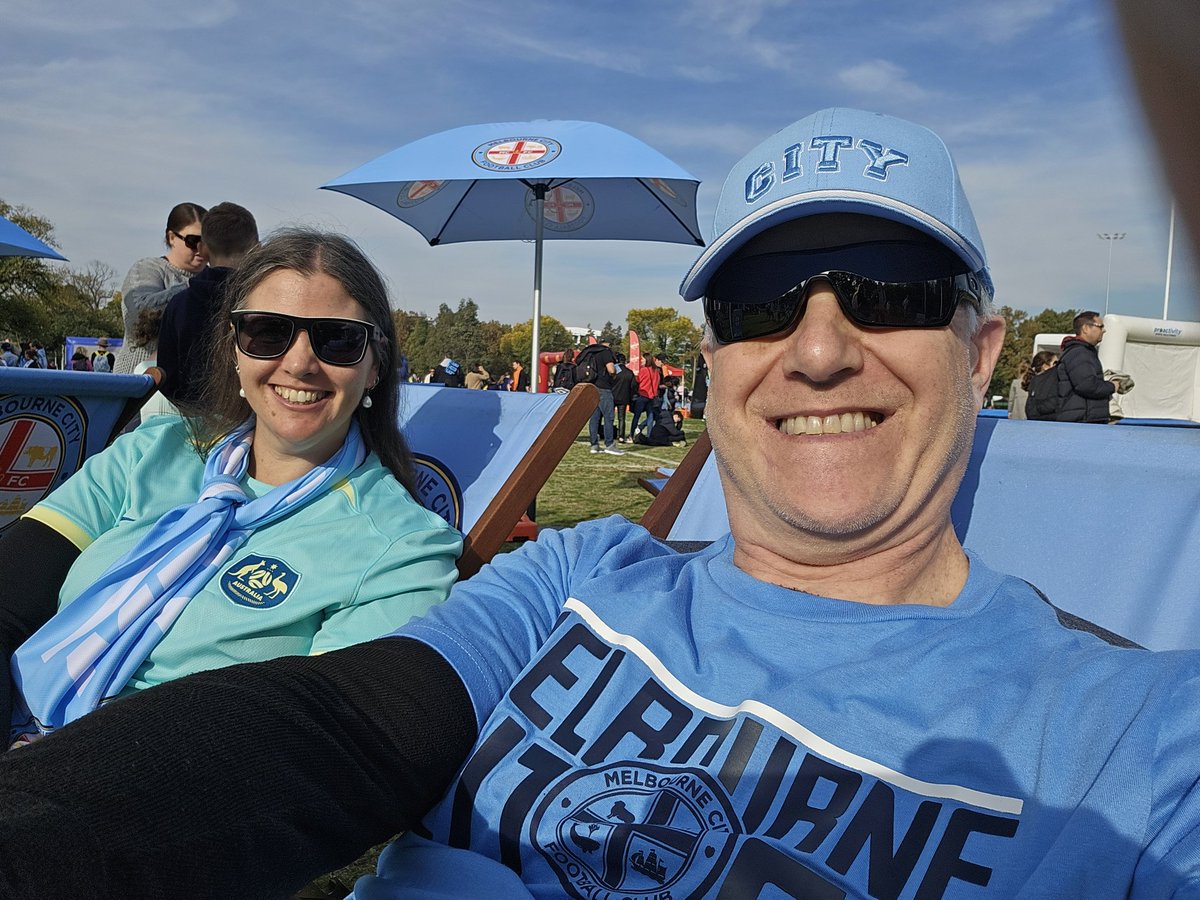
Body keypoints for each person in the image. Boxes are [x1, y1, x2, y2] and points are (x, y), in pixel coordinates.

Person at [3, 109, 1200, 898]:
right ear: (715, 358)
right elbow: (338, 732)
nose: (820, 350)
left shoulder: (1139, 739)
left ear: (983, 350)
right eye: (762, 305)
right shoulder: (585, 573)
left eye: (891, 291)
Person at [0, 228, 461, 747]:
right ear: (235, 349)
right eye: (268, 332)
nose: (300, 363)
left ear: (375, 366)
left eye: (337, 339)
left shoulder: (401, 551)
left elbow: (312, 751)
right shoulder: (150, 453)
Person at [157, 202, 260, 409]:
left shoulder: (179, 305)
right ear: (257, 250)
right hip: (251, 420)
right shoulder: (261, 304)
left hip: (192, 422)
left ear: (203, 248)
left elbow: (167, 376)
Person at [114, 202, 209, 374]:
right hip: (139, 383)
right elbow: (139, 315)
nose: (201, 249)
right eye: (193, 241)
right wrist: (198, 286)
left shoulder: (214, 278)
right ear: (172, 237)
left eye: (207, 241)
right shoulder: (147, 268)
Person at [1056, 311, 1121, 423]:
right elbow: (1087, 385)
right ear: (1086, 328)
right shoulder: (1079, 353)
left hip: (1083, 419)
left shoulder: (1082, 351)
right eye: (1100, 326)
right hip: (1082, 422)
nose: (1104, 330)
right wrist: (1112, 386)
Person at [579, 338, 623, 455]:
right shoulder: (605, 353)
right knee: (609, 416)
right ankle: (609, 444)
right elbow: (611, 369)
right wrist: (614, 374)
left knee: (594, 418)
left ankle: (594, 445)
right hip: (604, 387)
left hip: (591, 386)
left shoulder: (591, 353)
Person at [630, 352, 660, 438]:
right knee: (650, 416)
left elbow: (638, 380)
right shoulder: (656, 371)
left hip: (643, 394)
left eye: (642, 359)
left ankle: (632, 434)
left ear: (646, 360)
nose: (641, 361)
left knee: (637, 416)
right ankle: (649, 434)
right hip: (652, 396)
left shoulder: (643, 370)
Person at [1023, 350, 1060, 420]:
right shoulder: (1042, 384)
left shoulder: (1034, 382)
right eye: (1055, 363)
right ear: (1045, 366)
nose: (1057, 366)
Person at [610, 352, 636, 443]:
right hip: (624, 397)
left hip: (612, 396)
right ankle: (621, 436)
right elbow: (633, 386)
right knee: (622, 418)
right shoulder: (629, 372)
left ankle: (609, 434)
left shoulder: (614, 371)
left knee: (610, 417)